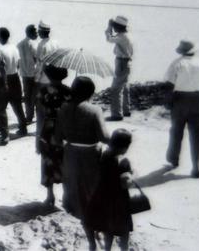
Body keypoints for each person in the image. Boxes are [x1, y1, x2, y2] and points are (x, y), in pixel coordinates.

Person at [57, 76, 109, 224]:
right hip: (90, 154)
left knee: (72, 186)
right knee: (91, 187)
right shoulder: (94, 110)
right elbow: (104, 137)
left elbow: (57, 136)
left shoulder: (63, 108)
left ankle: (72, 214)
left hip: (70, 152)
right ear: (91, 93)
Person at [164, 40, 199, 178]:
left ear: (181, 51)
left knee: (176, 131)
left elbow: (169, 84)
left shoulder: (177, 63)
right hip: (198, 100)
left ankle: (174, 160)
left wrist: (168, 101)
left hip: (180, 99)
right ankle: (197, 167)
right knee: (197, 134)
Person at [85, 129, 135, 251]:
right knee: (123, 232)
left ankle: (107, 249)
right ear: (125, 146)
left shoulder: (104, 156)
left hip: (103, 199)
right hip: (119, 203)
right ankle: (124, 249)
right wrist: (131, 177)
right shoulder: (123, 161)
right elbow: (125, 184)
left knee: (108, 230)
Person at [36, 64, 71, 206]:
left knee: (48, 161)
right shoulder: (69, 92)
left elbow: (40, 116)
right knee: (65, 162)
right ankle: (66, 195)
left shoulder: (43, 91)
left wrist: (38, 137)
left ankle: (50, 196)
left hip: (48, 129)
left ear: (48, 75)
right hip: (65, 131)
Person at [0, 27, 28, 136]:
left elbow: (2, 68)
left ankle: (4, 132)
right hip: (16, 77)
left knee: (1, 108)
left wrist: (4, 83)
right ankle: (23, 128)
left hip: (7, 78)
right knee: (18, 105)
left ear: (0, 37)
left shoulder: (0, 50)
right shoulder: (15, 48)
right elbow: (19, 65)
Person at [105, 16, 134, 121]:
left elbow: (109, 39)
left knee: (116, 89)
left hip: (121, 62)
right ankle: (126, 110)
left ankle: (117, 114)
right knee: (125, 87)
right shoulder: (126, 35)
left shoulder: (122, 37)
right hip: (126, 62)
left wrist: (108, 28)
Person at [35, 21, 59, 137]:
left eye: (39, 31)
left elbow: (40, 64)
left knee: (41, 107)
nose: (38, 33)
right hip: (54, 78)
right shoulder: (55, 43)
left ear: (41, 32)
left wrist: (37, 78)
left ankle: (42, 130)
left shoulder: (41, 45)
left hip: (44, 79)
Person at [17, 24, 39, 123]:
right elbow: (37, 59)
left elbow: (17, 62)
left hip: (24, 75)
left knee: (27, 96)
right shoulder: (33, 44)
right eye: (35, 32)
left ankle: (29, 116)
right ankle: (32, 116)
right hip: (33, 74)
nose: (37, 33)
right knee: (34, 96)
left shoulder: (19, 44)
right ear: (30, 32)